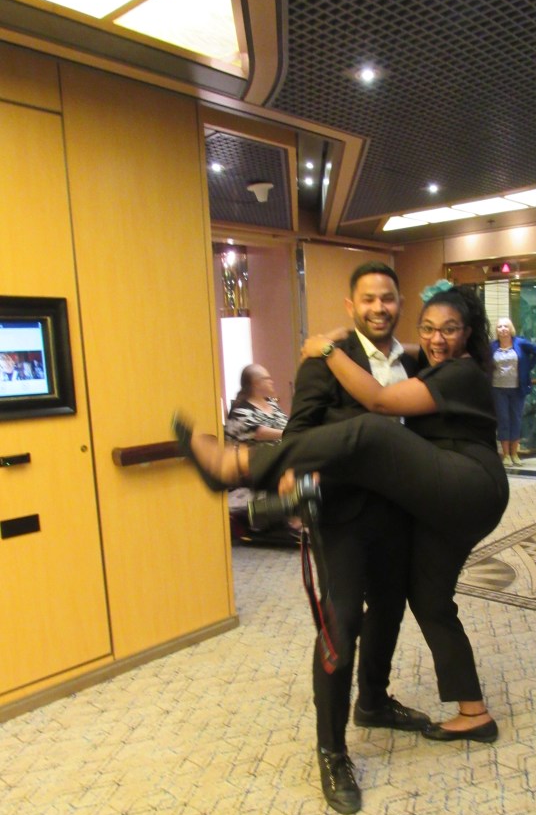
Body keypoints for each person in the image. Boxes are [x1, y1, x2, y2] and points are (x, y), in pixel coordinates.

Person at [173, 284, 509, 768]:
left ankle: (237, 467)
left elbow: (379, 400)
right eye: (429, 328)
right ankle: (473, 712)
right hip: (425, 500)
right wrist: (333, 340)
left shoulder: (461, 372)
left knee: (372, 431)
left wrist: (327, 348)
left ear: (468, 333)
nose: (437, 339)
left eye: (450, 330)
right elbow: (385, 364)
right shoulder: (421, 360)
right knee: (428, 599)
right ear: (353, 305)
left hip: (467, 483)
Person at [250, 263, 429, 815]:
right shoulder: (323, 363)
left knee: (392, 609)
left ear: (401, 304)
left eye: (389, 298)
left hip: (400, 512)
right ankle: (331, 750)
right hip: (345, 515)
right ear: (350, 307)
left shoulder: (417, 361)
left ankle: (372, 700)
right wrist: (298, 482)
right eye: (369, 299)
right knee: (342, 619)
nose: (380, 307)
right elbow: (299, 435)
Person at [223, 364, 295, 543]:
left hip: (278, 457)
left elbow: (289, 425)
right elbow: (260, 433)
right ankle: (290, 521)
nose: (271, 382)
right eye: (266, 379)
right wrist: (295, 434)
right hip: (251, 466)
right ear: (255, 383)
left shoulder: (271, 404)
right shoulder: (241, 410)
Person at [491, 318, 536, 467]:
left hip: (517, 389)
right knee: (503, 420)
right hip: (498, 389)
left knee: (516, 420)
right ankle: (505, 455)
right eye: (500, 326)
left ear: (511, 328)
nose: (503, 329)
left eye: (506, 326)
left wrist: (526, 367)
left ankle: (515, 453)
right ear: (497, 330)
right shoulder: (491, 347)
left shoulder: (520, 343)